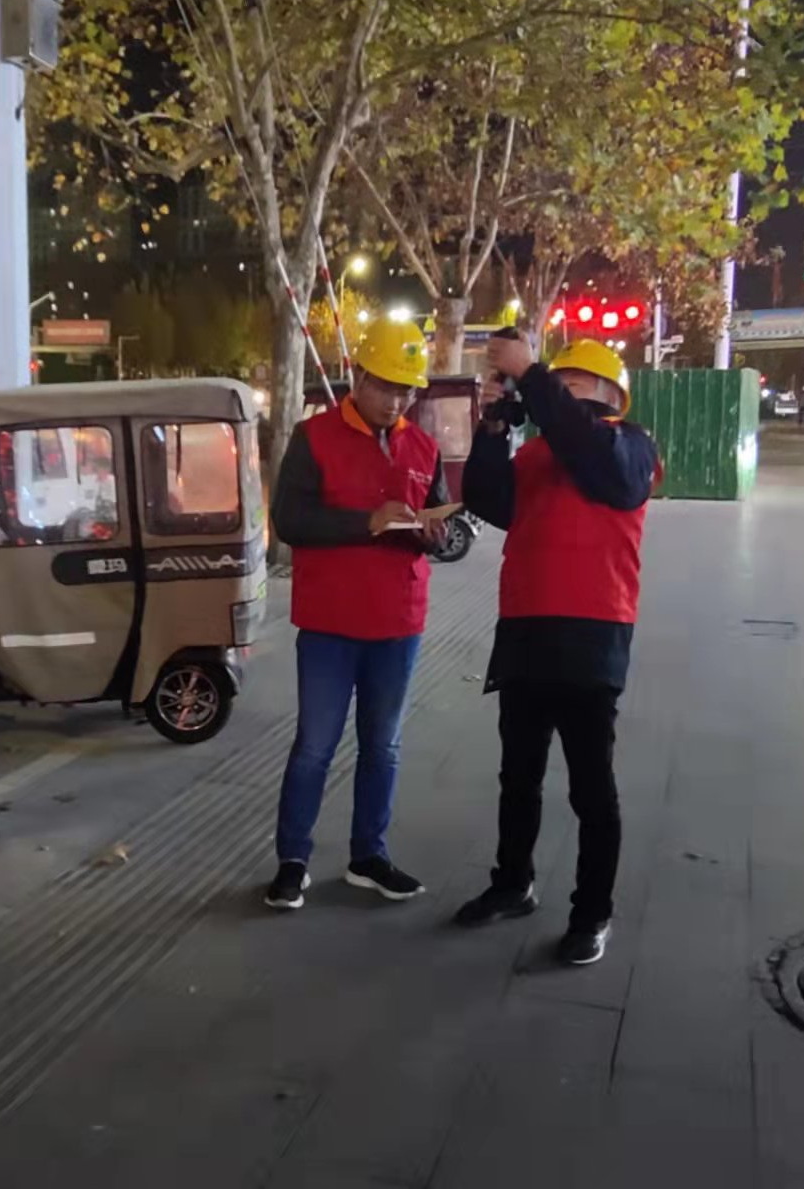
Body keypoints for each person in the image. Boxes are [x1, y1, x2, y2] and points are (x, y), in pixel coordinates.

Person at [453, 332, 659, 965]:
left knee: (591, 789)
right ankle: (512, 882)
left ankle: (592, 913)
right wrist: (493, 428)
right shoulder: (539, 454)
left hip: (593, 637)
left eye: (569, 382)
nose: (555, 390)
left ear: (608, 395)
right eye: (554, 382)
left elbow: (592, 455)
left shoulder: (630, 448)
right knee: (518, 777)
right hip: (526, 633)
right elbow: (488, 500)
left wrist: (533, 375)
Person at [263, 327, 451, 911]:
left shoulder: (423, 446)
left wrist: (435, 535)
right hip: (330, 622)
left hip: (398, 621)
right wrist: (366, 522)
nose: (397, 401)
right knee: (314, 747)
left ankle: (368, 856)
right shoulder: (313, 437)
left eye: (407, 391)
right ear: (359, 378)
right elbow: (289, 521)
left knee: (383, 746)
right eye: (387, 387)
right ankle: (292, 861)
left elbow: (436, 521)